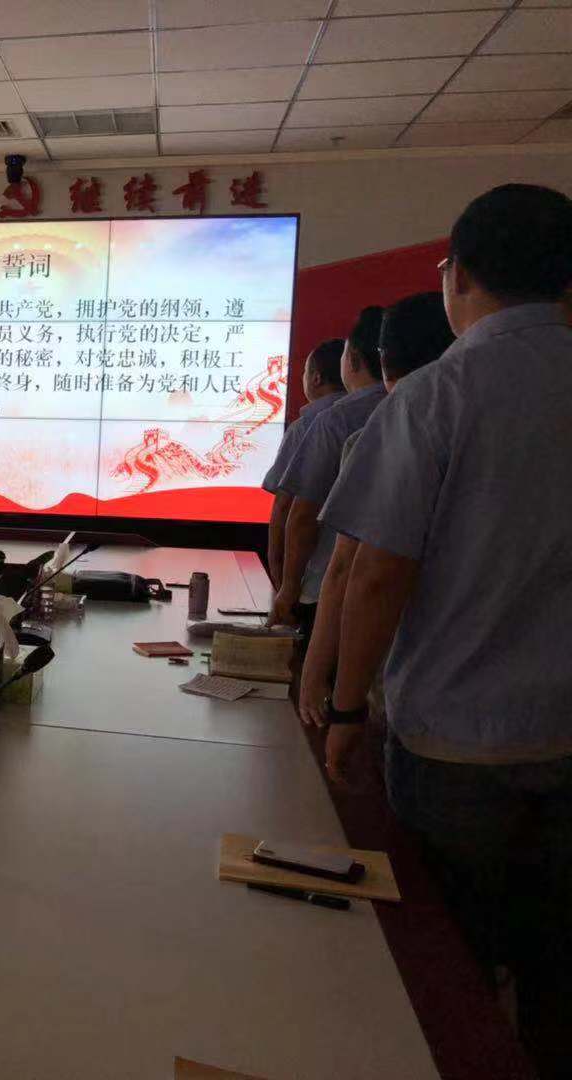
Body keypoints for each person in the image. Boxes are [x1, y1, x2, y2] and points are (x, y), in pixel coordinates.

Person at [320, 184, 572, 1077]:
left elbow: (377, 571)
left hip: (454, 742)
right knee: (558, 963)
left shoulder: (437, 393)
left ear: (456, 274)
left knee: (450, 969)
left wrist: (345, 709)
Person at [297, 293, 454, 734]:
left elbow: (355, 571)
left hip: (407, 680)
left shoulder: (376, 433)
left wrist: (334, 697)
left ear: (381, 359)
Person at [268, 306, 386, 630]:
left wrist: (285, 587)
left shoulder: (333, 420)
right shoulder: (411, 409)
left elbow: (297, 513)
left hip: (325, 587)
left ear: (354, 360)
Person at [264, 338, 345, 591]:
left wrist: (281, 582)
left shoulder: (307, 426)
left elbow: (285, 508)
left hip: (309, 577)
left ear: (316, 378)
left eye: (305, 372)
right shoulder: (373, 415)